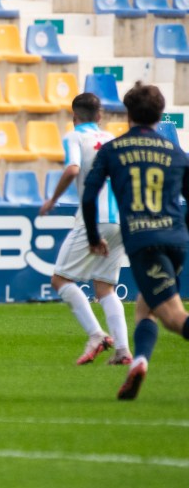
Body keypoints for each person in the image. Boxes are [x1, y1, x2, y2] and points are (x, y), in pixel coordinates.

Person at [83, 82, 189, 401]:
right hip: (176, 240)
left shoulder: (113, 150)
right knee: (146, 306)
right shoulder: (176, 152)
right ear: (160, 114)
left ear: (127, 114)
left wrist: (93, 237)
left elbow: (89, 196)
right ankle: (139, 361)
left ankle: (139, 362)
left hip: (145, 242)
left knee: (173, 317)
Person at [39, 93, 130, 365]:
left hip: (94, 219)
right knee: (105, 289)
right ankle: (123, 350)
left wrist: (53, 199)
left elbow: (72, 169)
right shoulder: (112, 138)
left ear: (74, 116)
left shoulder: (74, 136)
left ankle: (96, 335)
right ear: (100, 116)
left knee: (60, 280)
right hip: (119, 219)